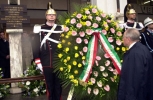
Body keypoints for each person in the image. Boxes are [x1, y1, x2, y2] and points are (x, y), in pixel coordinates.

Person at [33, 2, 63, 100]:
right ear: (46, 16)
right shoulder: (40, 29)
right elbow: (36, 46)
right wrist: (38, 61)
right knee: (50, 87)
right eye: (49, 15)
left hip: (59, 62)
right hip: (46, 62)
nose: (51, 16)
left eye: (53, 15)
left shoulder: (60, 28)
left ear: (55, 16)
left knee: (58, 86)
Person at [117, 28, 153, 100]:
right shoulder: (144, 49)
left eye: (123, 37)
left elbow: (132, 79)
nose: (122, 39)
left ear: (128, 39)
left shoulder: (134, 54)